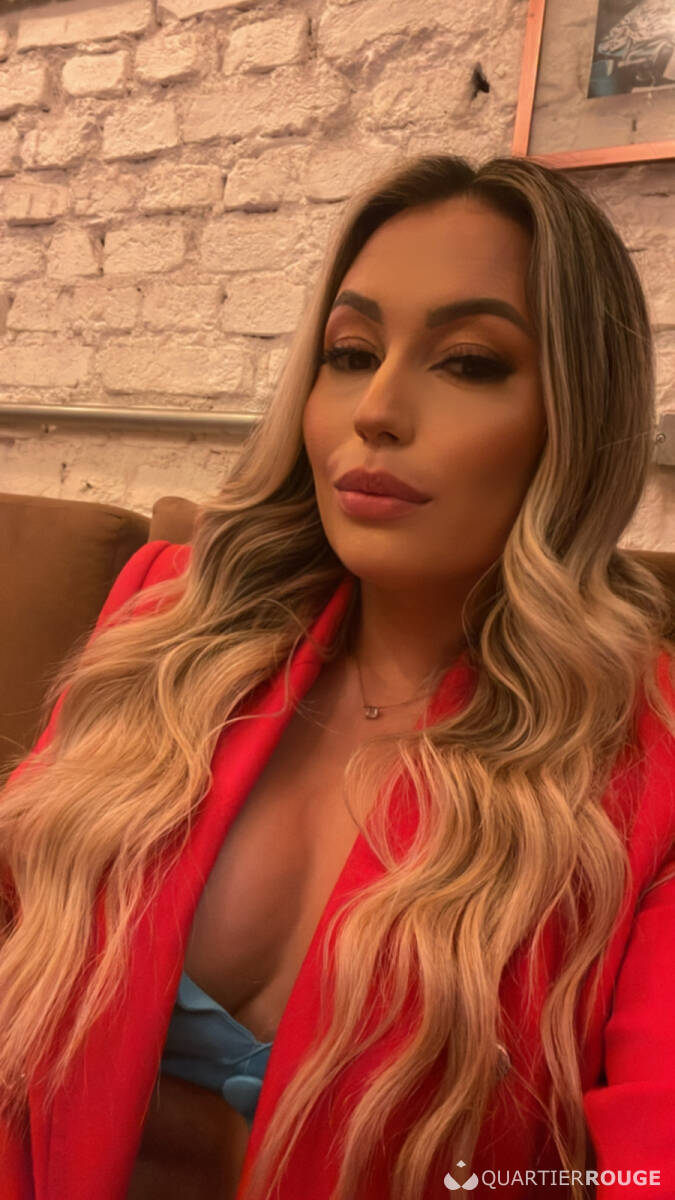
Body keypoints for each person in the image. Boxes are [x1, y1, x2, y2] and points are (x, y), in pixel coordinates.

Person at [0, 153, 673, 1200]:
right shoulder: (168, 619)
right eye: (350, 354)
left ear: (576, 420)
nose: (378, 410)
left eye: (468, 364)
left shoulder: (646, 756)